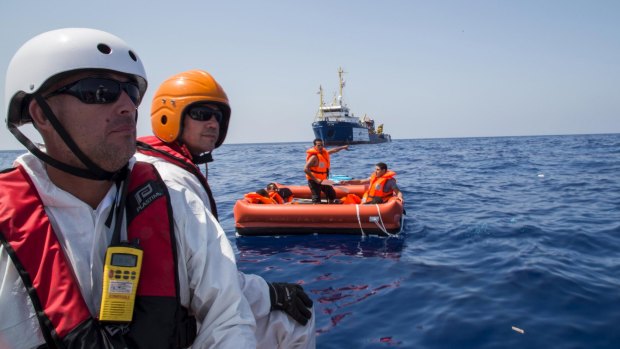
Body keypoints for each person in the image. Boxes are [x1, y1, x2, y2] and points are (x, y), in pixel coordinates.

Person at [0, 28, 255, 348]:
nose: (127, 106)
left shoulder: (177, 203)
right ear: (41, 114)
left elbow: (228, 319)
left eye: (132, 92)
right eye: (99, 91)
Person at [135, 69, 315, 348]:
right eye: (201, 114)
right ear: (169, 115)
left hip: (157, 319)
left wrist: (267, 293)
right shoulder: (176, 184)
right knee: (297, 320)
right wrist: (273, 294)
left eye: (218, 116)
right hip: (178, 324)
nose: (213, 124)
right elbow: (217, 292)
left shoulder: (146, 165)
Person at [304, 139, 348, 203]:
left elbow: (334, 150)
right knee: (316, 198)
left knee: (332, 195)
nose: (321, 147)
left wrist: (343, 147)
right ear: (315, 146)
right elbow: (305, 169)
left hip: (323, 180)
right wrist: (316, 179)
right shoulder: (314, 157)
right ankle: (315, 211)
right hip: (314, 181)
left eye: (322, 145)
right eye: (318, 145)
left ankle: (330, 208)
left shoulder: (324, 153)